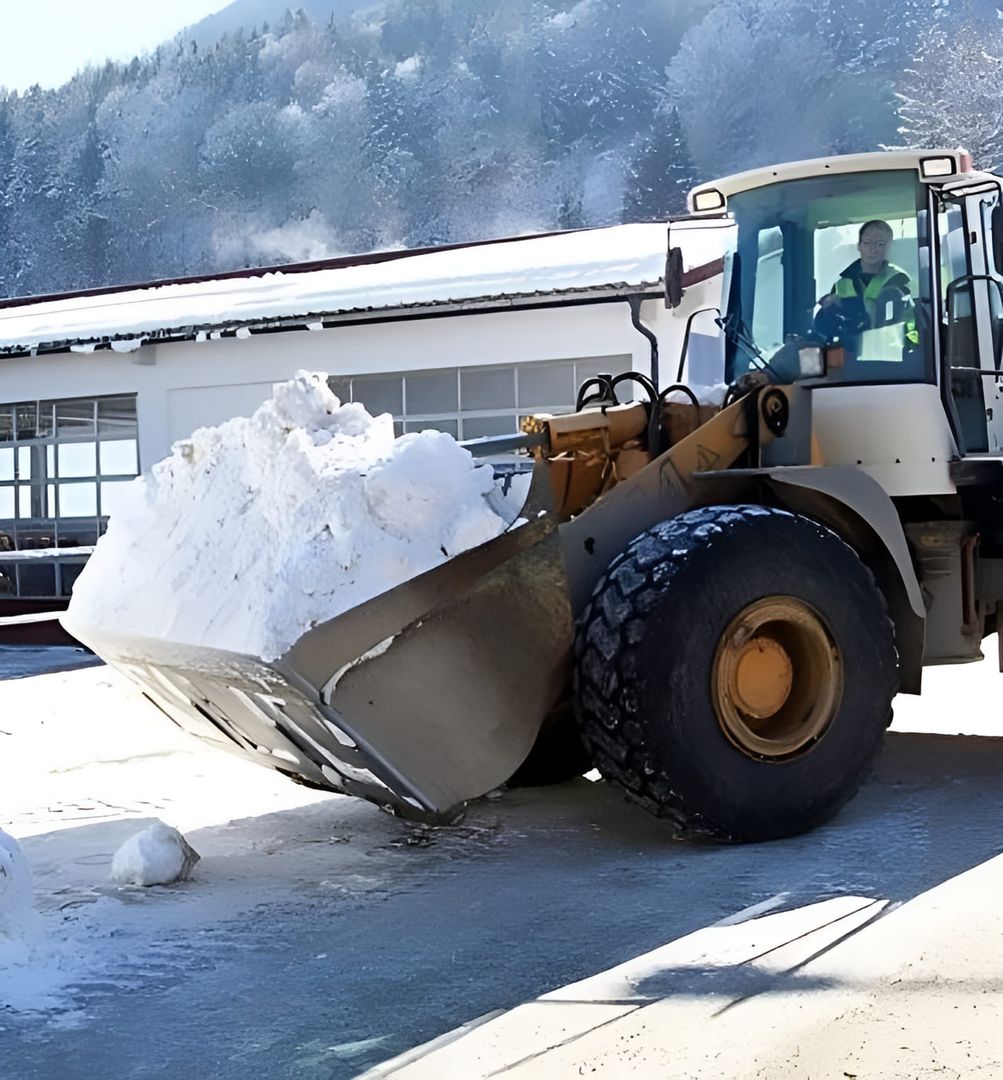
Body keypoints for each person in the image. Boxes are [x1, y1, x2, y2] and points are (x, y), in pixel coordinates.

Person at [814, 219, 918, 358]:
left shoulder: (900, 280)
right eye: (867, 243)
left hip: (892, 358)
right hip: (850, 359)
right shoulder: (841, 283)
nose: (872, 249)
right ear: (859, 246)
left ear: (889, 246)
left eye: (880, 244)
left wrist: (846, 305)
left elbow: (908, 324)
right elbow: (829, 326)